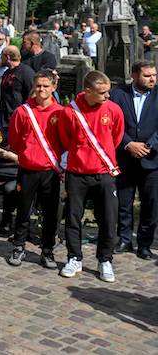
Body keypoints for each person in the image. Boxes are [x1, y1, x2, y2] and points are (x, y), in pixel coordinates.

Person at [58, 71, 124, 282]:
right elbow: (66, 139)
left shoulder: (113, 110)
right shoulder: (69, 112)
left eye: (108, 91)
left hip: (104, 173)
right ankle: (74, 257)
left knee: (108, 218)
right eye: (102, 92)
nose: (107, 96)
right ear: (88, 91)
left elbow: (116, 137)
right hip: (77, 174)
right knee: (73, 217)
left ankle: (105, 259)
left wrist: (100, 159)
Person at [6, 70, 63, 269]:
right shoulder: (23, 111)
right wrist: (29, 154)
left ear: (54, 87)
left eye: (46, 86)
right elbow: (14, 139)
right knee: (23, 210)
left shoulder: (60, 113)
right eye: (38, 85)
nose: (41, 90)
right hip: (28, 169)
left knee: (50, 213)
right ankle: (19, 245)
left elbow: (64, 141)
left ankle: (47, 250)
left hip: (50, 171)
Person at [110, 61, 158, 259]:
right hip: (125, 158)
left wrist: (149, 146)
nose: (152, 79)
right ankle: (124, 239)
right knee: (124, 201)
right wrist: (128, 144)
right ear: (134, 75)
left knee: (151, 204)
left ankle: (145, 244)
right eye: (147, 75)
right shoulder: (118, 94)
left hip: (152, 159)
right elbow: (112, 124)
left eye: (154, 75)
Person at [0, 46, 35, 142]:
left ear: (8, 57)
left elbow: (32, 94)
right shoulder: (6, 72)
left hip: (18, 119)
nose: (0, 58)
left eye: (1, 56)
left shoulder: (26, 72)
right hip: (5, 119)